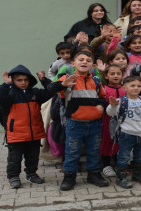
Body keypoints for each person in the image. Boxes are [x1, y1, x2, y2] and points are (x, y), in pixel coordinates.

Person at [49, 51, 109, 191]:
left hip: (95, 123)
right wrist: (62, 84)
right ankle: (69, 176)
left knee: (94, 151)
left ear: (92, 65)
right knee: (72, 151)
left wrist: (101, 107)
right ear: (73, 63)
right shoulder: (67, 78)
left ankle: (93, 174)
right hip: (75, 124)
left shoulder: (96, 80)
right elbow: (50, 89)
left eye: (88, 60)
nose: (84, 62)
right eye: (81, 59)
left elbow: (102, 97)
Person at [0, 65, 53, 189]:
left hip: (34, 133)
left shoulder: (35, 93)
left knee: (33, 156)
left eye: (25, 80)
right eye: (19, 80)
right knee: (14, 159)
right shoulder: (9, 94)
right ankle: (13, 176)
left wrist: (44, 80)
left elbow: (51, 91)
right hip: (16, 134)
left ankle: (31, 174)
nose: (23, 82)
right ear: (13, 81)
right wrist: (6, 84)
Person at [106, 76, 141, 189]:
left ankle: (138, 175)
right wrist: (113, 105)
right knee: (123, 157)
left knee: (140, 156)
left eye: (138, 86)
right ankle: (121, 178)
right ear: (124, 88)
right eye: (132, 85)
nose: (136, 88)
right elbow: (110, 113)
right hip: (127, 134)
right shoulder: (121, 101)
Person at [99, 64, 125, 178]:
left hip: (124, 120)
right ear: (106, 76)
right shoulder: (104, 89)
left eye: (118, 74)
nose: (115, 76)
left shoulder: (125, 88)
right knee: (107, 141)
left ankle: (118, 164)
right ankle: (106, 165)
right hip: (108, 120)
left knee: (121, 141)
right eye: (112, 74)